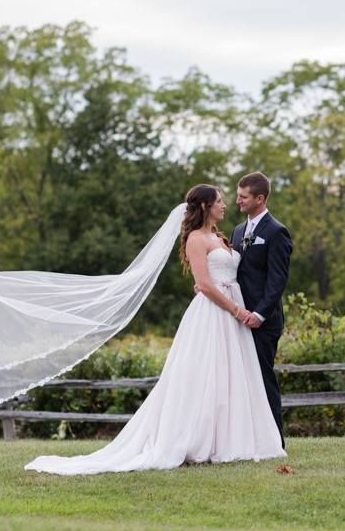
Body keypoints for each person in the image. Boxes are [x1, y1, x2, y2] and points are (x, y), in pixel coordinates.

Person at [24, 184, 286, 474]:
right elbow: (205, 285)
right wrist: (237, 310)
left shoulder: (223, 235)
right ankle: (196, 440)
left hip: (235, 313)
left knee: (232, 376)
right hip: (217, 313)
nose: (226, 205)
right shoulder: (197, 239)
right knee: (203, 375)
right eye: (220, 201)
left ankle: (233, 439)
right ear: (204, 207)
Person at [227, 172, 293, 445]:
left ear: (260, 198)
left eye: (243, 197)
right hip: (237, 316)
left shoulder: (277, 231)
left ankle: (274, 441)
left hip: (263, 321)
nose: (237, 201)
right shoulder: (238, 231)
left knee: (263, 379)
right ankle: (246, 438)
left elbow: (278, 280)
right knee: (240, 380)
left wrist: (260, 314)